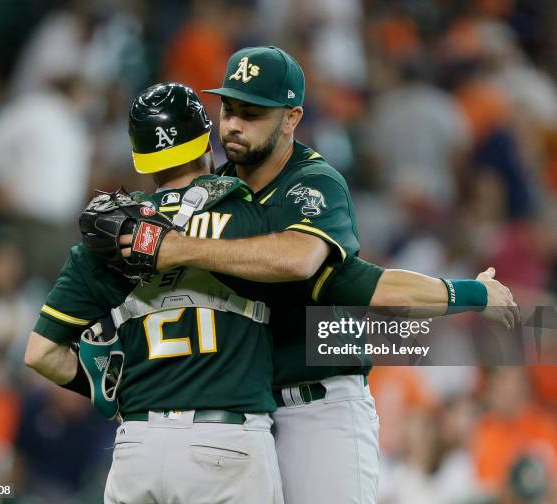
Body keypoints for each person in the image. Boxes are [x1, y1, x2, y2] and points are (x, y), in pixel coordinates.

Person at [129, 46, 518, 504]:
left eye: (252, 113)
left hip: (319, 406)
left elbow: (316, 265)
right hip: (239, 417)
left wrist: (472, 293)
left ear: (291, 118)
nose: (232, 124)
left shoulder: (314, 183)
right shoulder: (214, 189)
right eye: (228, 108)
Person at [24, 82, 285, 504]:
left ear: (141, 158)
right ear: (207, 139)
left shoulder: (106, 239)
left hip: (137, 448)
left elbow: (40, 352)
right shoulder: (251, 214)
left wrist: (109, 385)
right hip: (226, 445)